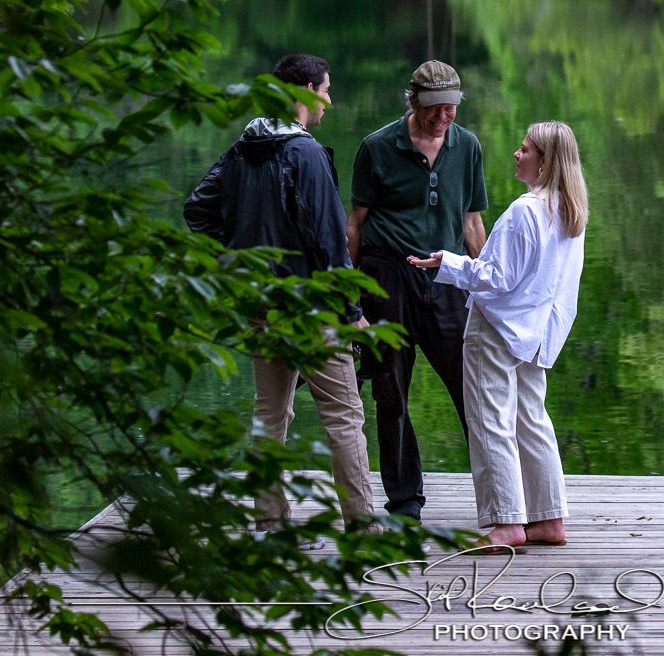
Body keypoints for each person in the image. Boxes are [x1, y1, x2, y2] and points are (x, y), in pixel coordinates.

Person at [184, 53, 374, 535]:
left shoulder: (245, 146)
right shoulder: (305, 153)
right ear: (306, 90)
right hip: (313, 312)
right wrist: (351, 312)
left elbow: (197, 210)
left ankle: (269, 522)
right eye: (326, 89)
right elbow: (331, 239)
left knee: (270, 414)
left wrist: (237, 259)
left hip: (262, 308)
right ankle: (364, 526)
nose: (329, 99)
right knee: (344, 417)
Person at [407, 121, 588, 550]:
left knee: (491, 420)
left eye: (524, 150)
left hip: (499, 328)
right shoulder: (569, 209)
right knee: (531, 421)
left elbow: (496, 277)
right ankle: (548, 518)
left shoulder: (526, 211)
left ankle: (506, 521)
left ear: (544, 162)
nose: (516, 155)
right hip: (538, 331)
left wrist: (445, 264)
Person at [347, 60, 488, 523]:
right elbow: (356, 225)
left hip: (446, 278)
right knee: (391, 392)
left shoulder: (467, 147)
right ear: (412, 101)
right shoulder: (377, 147)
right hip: (387, 278)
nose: (442, 116)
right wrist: (346, 298)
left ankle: (503, 498)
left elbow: (471, 223)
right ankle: (405, 504)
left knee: (475, 388)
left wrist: (487, 286)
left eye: (450, 107)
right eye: (433, 107)